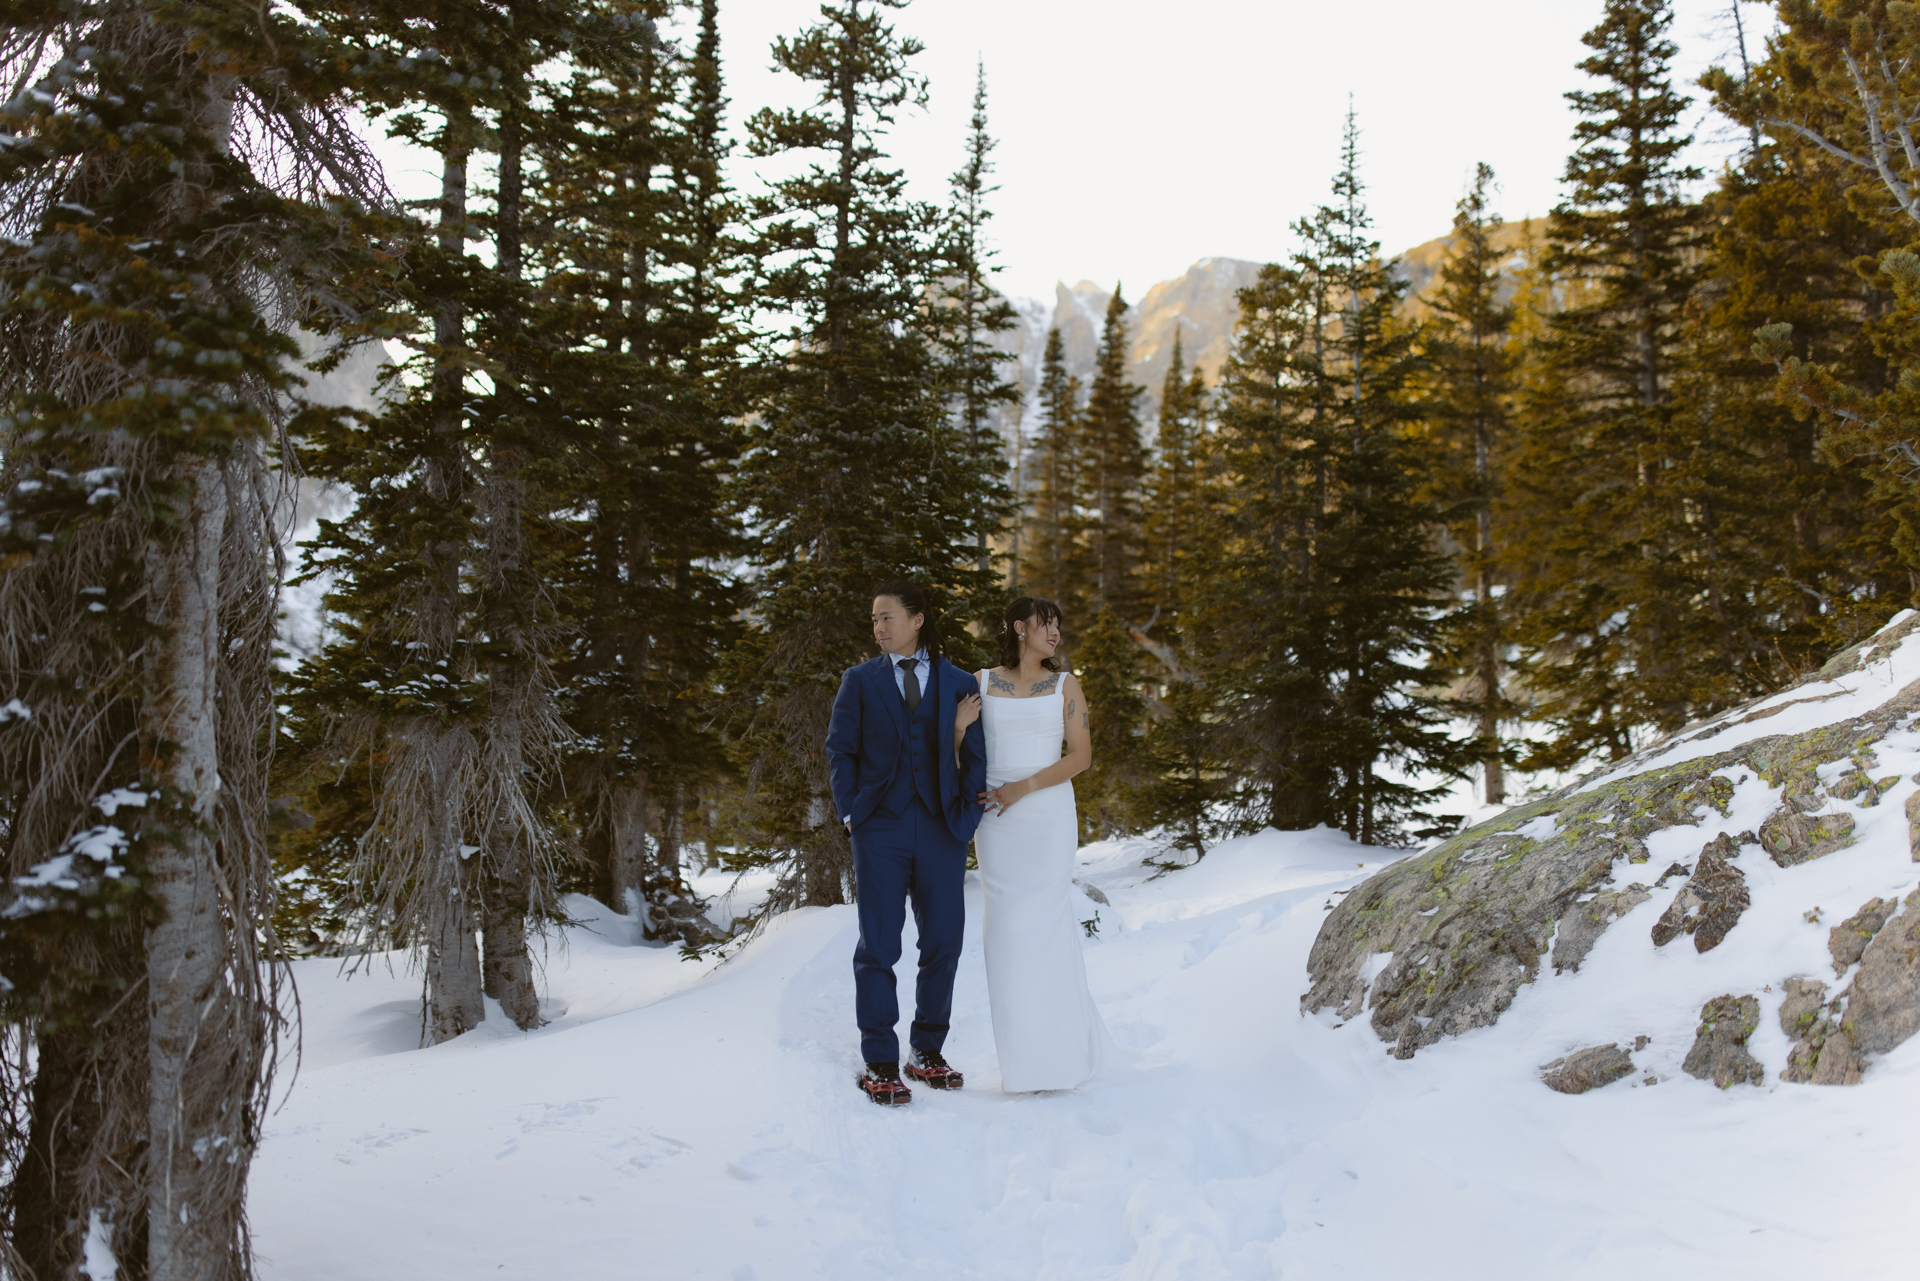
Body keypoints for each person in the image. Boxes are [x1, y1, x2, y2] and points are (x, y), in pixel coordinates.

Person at [825, 582, 987, 1106]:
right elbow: (840, 750)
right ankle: (879, 1059)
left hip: (942, 827)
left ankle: (927, 1051)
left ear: (917, 619)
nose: (878, 626)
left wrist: (966, 815)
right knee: (879, 943)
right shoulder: (859, 681)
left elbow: (976, 756)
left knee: (944, 940)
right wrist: (852, 813)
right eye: (873, 619)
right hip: (881, 829)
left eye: (887, 617)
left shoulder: (960, 682)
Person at [973, 596, 1115, 1091]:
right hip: (994, 817)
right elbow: (960, 748)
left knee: (1047, 924)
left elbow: (1081, 757)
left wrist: (1024, 787)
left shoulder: (1065, 685)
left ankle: (1057, 1060)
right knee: (1005, 930)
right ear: (1018, 627)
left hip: (1047, 813)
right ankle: (1022, 1062)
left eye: (1058, 624)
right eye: (1045, 623)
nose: (1054, 632)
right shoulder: (980, 682)